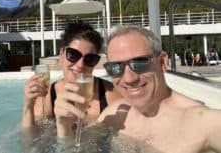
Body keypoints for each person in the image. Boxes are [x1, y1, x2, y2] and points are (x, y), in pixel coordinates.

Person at [55, 25, 221, 153]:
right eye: (116, 67)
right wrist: (64, 127)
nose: (129, 78)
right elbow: (76, 148)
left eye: (139, 62)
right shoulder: (115, 114)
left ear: (162, 62)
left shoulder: (203, 122)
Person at [21, 21, 121, 127]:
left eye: (90, 59)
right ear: (61, 54)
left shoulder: (111, 94)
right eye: (73, 54)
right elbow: (31, 140)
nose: (80, 65)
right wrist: (28, 107)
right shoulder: (48, 96)